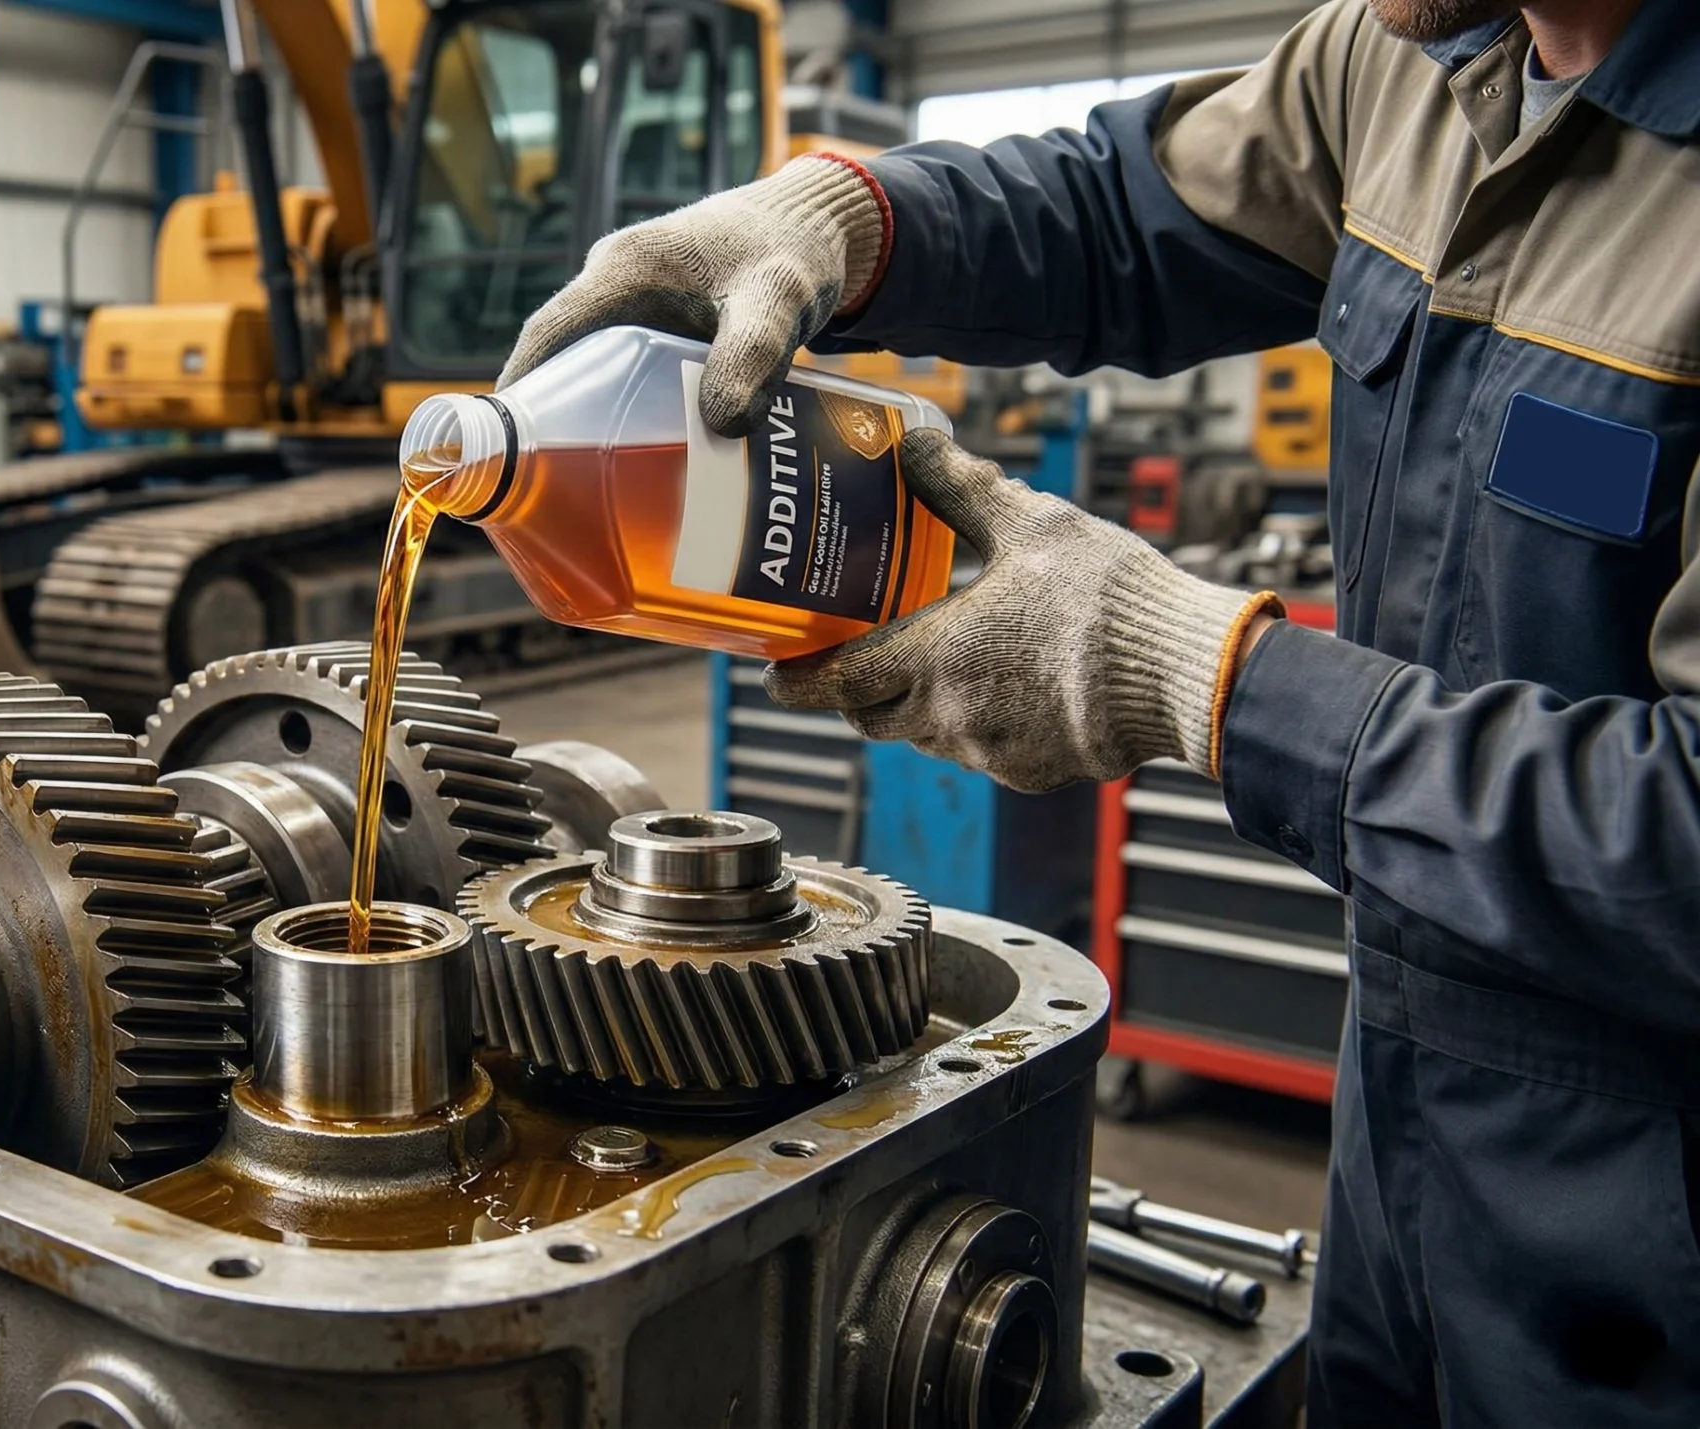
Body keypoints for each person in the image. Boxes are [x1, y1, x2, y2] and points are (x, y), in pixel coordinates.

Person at [501, 0, 1699, 1421]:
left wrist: (1197, 675)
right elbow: (1118, 208)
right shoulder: (1408, 59)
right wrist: (838, 219)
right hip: (1407, 1121)